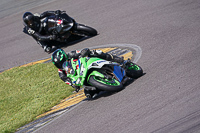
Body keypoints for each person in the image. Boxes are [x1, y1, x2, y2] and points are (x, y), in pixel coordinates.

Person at [51, 48, 125, 98]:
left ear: (65, 57)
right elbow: (68, 81)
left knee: (96, 53)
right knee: (88, 94)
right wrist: (74, 86)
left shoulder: (71, 54)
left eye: (61, 62)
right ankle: (104, 85)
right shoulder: (61, 73)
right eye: (58, 64)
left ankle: (116, 59)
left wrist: (84, 52)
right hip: (81, 77)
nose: (60, 65)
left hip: (86, 64)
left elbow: (83, 51)